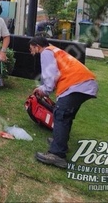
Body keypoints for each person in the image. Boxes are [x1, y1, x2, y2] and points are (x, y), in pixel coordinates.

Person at [29, 36, 98, 168]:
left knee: (61, 115)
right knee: (66, 115)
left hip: (76, 84)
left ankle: (57, 155)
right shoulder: (54, 50)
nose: (32, 52)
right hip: (85, 83)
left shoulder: (46, 52)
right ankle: (60, 143)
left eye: (31, 49)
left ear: (36, 46)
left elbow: (51, 75)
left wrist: (43, 89)